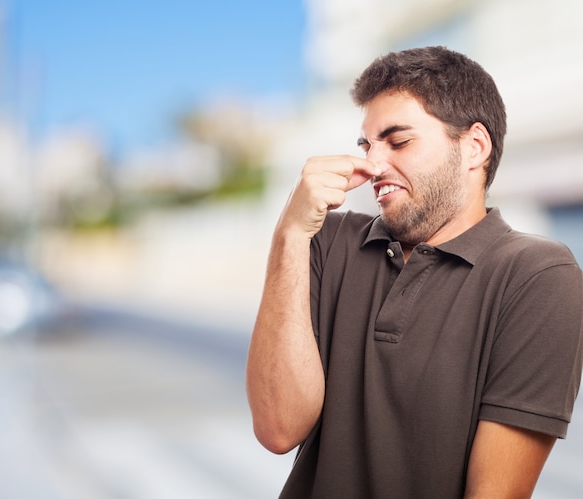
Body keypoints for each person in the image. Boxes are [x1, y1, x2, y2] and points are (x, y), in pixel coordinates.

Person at [245, 46, 583, 498]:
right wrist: (289, 234)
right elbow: (278, 428)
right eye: (367, 145)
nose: (373, 165)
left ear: (474, 147)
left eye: (398, 141)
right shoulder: (327, 239)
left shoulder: (537, 276)